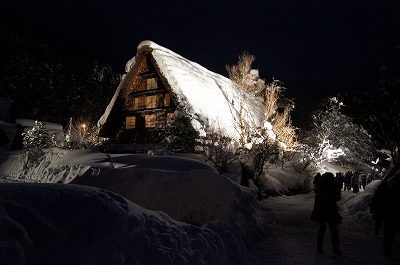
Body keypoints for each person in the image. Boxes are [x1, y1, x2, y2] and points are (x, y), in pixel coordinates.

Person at [310, 172, 342, 254]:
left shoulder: (320, 187)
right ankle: (335, 248)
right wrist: (336, 189)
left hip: (322, 210)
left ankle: (319, 247)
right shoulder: (330, 187)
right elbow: (336, 197)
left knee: (323, 229)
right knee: (332, 230)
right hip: (329, 210)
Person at [370, 172, 400, 258]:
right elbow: (378, 198)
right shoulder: (388, 188)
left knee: (389, 234)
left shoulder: (388, 186)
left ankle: (387, 250)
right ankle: (387, 250)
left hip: (392, 215)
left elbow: (377, 198)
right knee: (389, 234)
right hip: (390, 215)